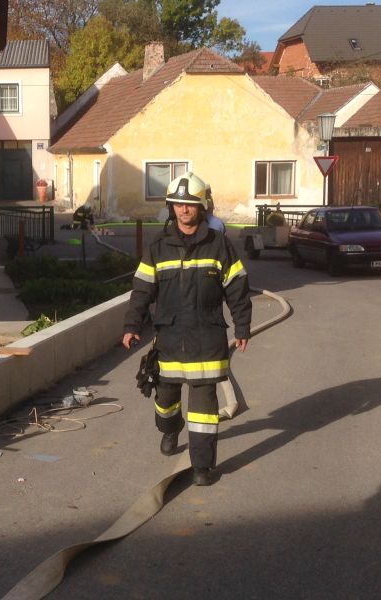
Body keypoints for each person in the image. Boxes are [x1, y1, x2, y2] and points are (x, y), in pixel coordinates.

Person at [122, 171, 251, 486]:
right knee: (165, 400)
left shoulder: (219, 245)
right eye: (178, 204)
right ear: (171, 207)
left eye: (190, 204)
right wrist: (132, 325)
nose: (184, 209)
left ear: (202, 206)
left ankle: (202, 467)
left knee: (204, 409)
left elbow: (237, 287)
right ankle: (170, 429)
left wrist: (242, 327)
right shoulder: (158, 247)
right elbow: (142, 289)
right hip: (169, 338)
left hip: (207, 336)